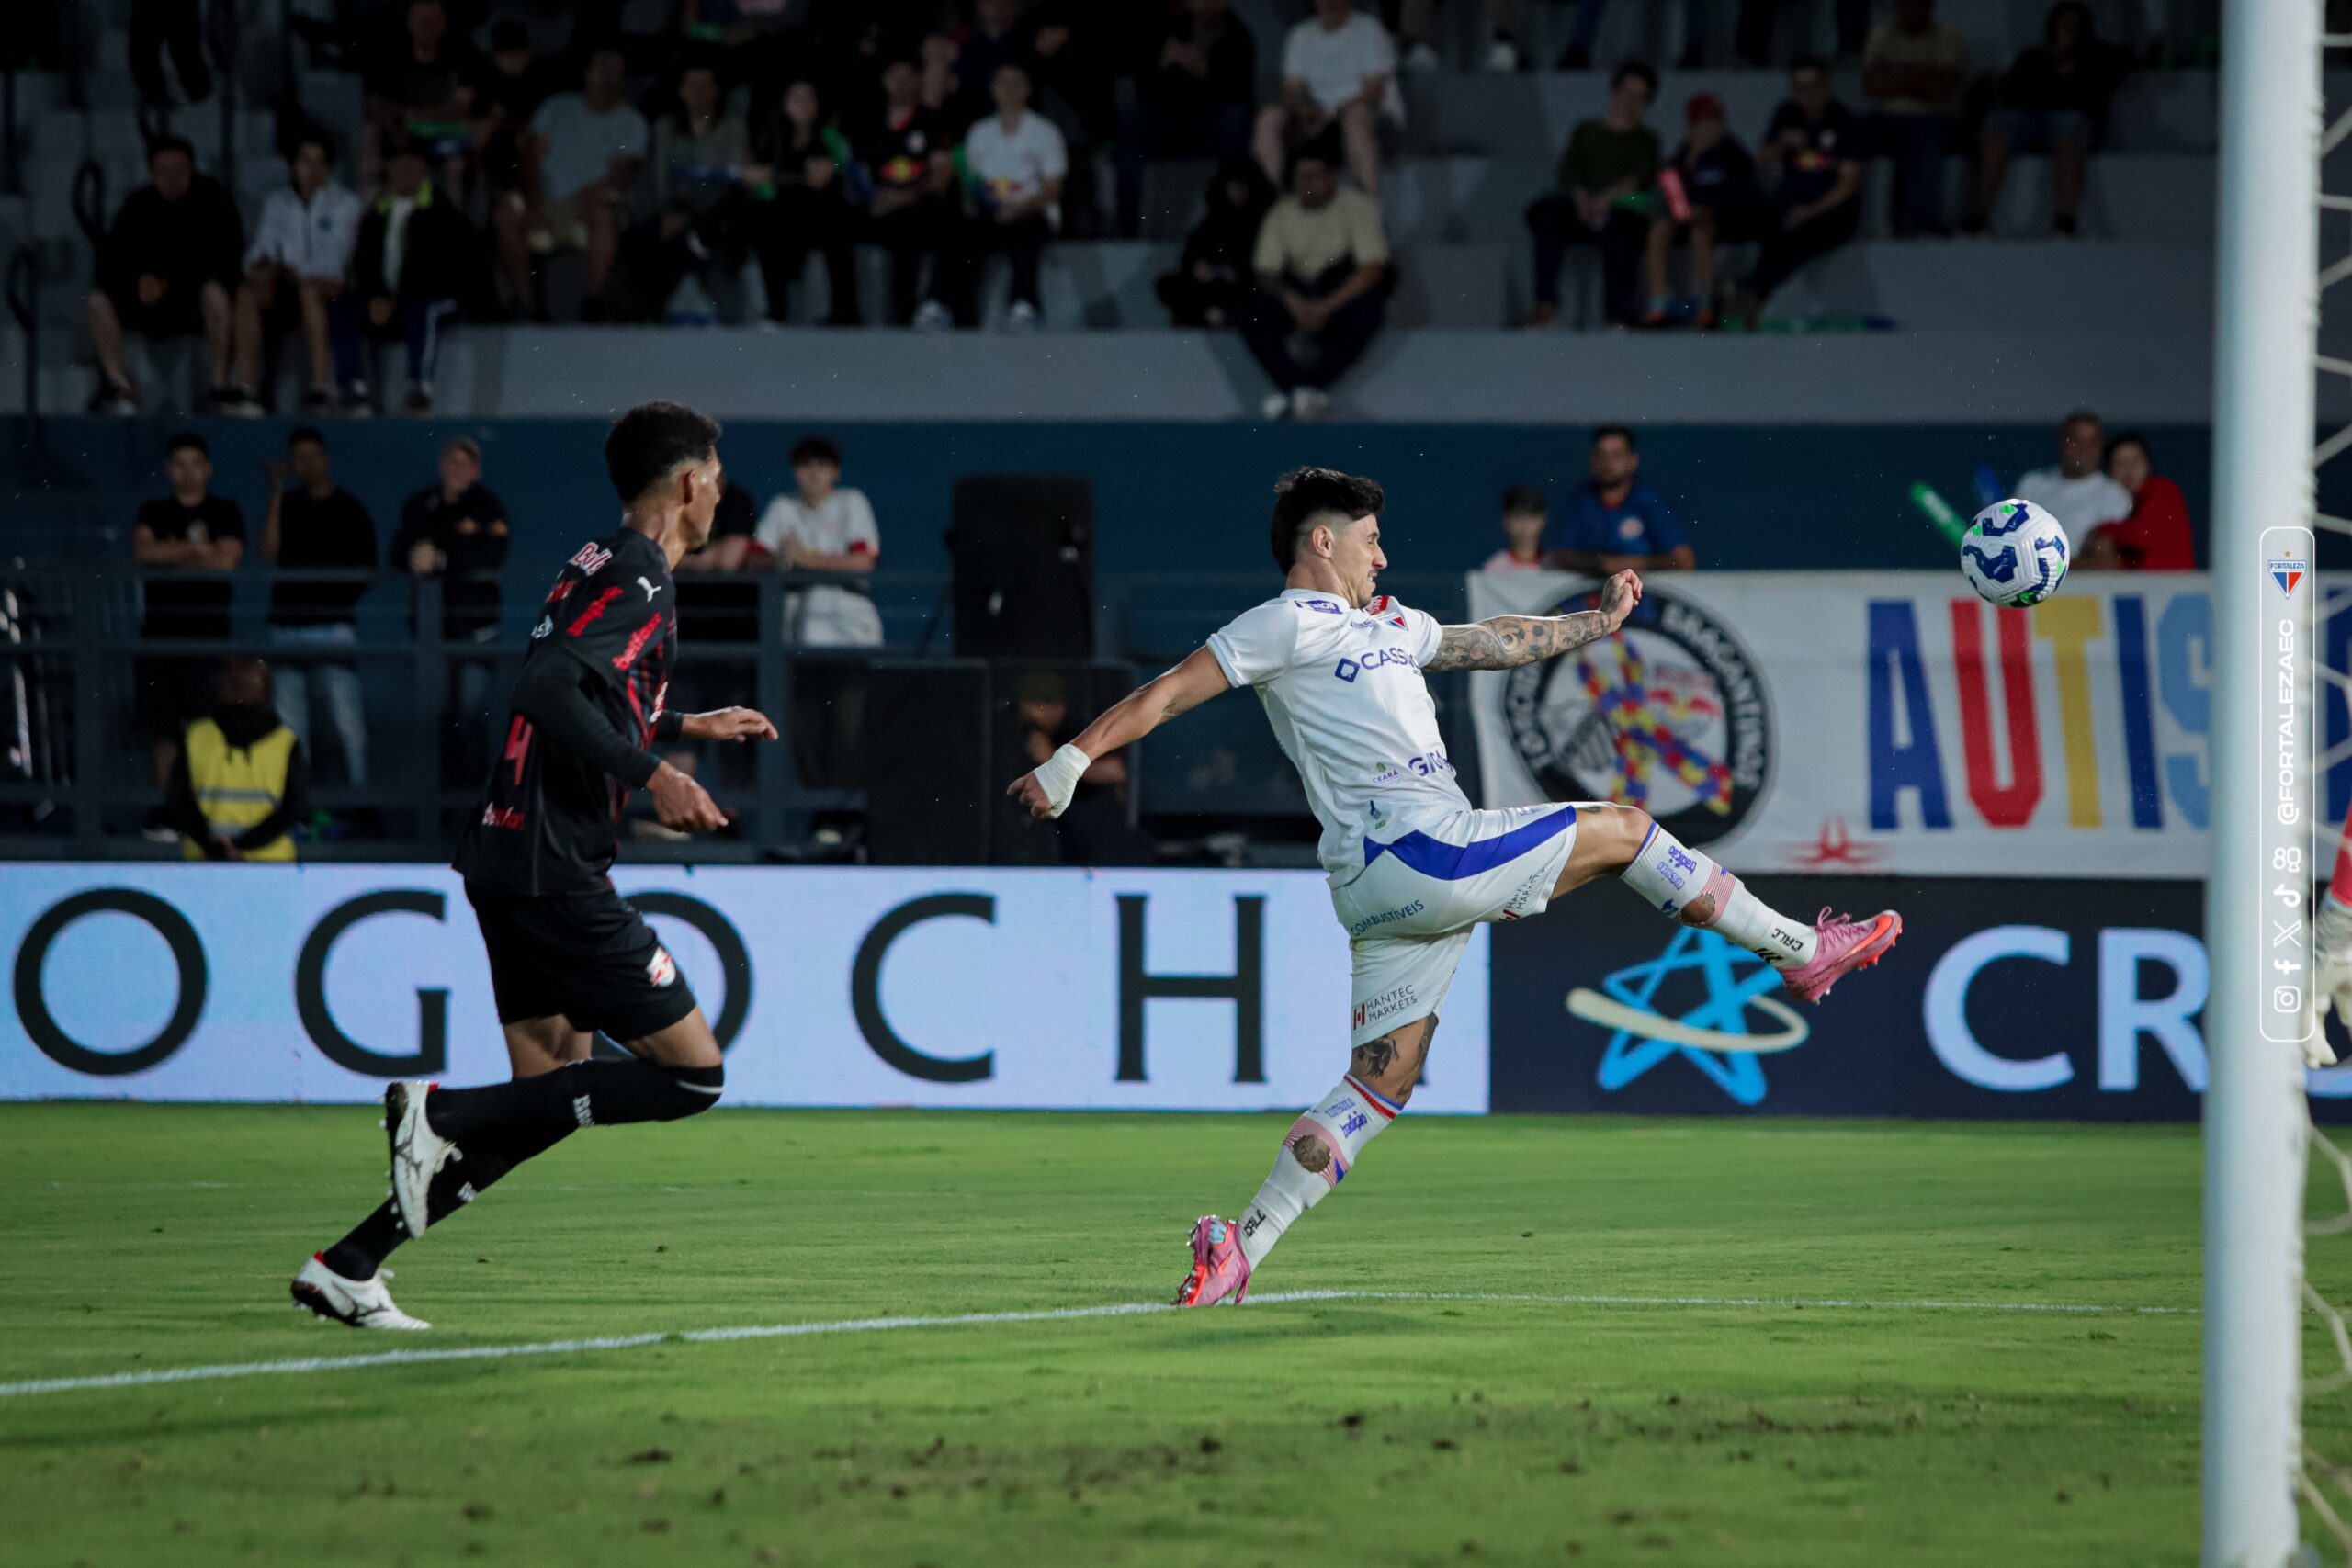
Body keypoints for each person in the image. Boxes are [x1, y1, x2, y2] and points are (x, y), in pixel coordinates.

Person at [1002, 467, 1900, 1309]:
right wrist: (1072, 759)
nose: (1382, 556)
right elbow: (1169, 693)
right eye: (1370, 539)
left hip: (1378, 889)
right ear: (1320, 544)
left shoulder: (1390, 625)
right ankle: (1801, 952)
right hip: (1418, 847)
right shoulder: (1281, 625)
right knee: (1626, 828)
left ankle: (1240, 1245)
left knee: (1378, 1085)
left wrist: (1593, 624)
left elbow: (1493, 643)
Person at [293, 402, 779, 1332]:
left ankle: (351, 1264)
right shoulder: (640, 578)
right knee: (692, 1078)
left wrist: (679, 724)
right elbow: (544, 687)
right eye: (714, 475)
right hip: (555, 867)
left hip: (507, 854)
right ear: (686, 485)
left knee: (545, 1101)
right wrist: (655, 773)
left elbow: (579, 688)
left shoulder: (596, 561)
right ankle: (443, 1114)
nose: (721, 491)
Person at [85, 135, 244, 413]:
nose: (172, 179)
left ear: (192, 169)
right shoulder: (138, 204)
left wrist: (170, 283)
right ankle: (117, 385)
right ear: (151, 173)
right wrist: (137, 283)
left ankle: (219, 383)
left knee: (217, 295)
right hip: (146, 303)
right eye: (163, 172)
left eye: (179, 171)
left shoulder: (214, 200)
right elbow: (111, 261)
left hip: (193, 300)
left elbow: (227, 260)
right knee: (98, 301)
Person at [1239, 139, 1390, 422]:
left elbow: (1372, 268)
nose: (1308, 183)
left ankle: (1306, 386)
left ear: (1331, 175)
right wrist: (1294, 302)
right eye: (1301, 176)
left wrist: (1326, 307)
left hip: (1339, 292)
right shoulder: (1282, 211)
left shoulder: (1357, 206)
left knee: (1370, 312)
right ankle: (1297, 387)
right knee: (1251, 313)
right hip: (1297, 292)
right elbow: (1265, 271)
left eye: (1315, 176)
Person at [390, 436, 511, 785]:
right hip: (432, 632)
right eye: (451, 462)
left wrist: (440, 559)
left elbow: (490, 557)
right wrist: (415, 556)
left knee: (471, 716)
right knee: (437, 719)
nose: (456, 470)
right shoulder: (421, 504)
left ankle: (475, 801)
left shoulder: (488, 506)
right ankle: (441, 809)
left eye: (465, 463)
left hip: (475, 632)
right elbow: (398, 549)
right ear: (441, 465)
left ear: (476, 470)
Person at [133, 433, 246, 803]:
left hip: (209, 639)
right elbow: (144, 551)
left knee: (209, 728)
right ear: (169, 470)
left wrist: (175, 553)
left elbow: (227, 560)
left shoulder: (224, 510)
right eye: (179, 464)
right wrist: (198, 550)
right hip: (161, 639)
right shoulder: (154, 510)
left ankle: (207, 810)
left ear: (207, 469)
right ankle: (169, 810)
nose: (187, 472)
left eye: (195, 464)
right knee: (164, 732)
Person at [263, 427, 377, 788]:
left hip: (333, 628)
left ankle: (361, 804)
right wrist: (277, 493)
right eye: (298, 458)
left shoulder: (349, 507)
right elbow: (268, 555)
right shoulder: (289, 505)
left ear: (325, 459)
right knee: (290, 726)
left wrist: (335, 599)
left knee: (347, 723)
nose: (306, 464)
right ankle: (297, 807)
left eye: (312, 456)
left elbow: (367, 568)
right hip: (286, 628)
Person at [502, 44, 648, 320]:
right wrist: (535, 203)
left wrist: (589, 195)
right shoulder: (557, 108)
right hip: (545, 203)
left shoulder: (631, 121)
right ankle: (526, 305)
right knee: (506, 215)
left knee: (605, 213)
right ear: (586, 72)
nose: (607, 77)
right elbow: (531, 157)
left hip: (588, 207)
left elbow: (624, 172)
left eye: (615, 71)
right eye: (601, 68)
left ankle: (594, 299)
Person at [1964, 3, 2131, 239]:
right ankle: (1977, 219)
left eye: (2075, 26)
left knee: (2069, 126)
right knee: (1996, 127)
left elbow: (2120, 64)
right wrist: (2053, 61)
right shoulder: (2034, 57)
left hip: (2069, 125)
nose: (2068, 30)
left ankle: (2065, 222)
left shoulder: (2095, 61)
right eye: (2064, 24)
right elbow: (2012, 92)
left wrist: (2083, 51)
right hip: (2027, 122)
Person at [334, 140, 475, 415]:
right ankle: (354, 388)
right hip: (387, 300)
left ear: (423, 169)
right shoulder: (376, 213)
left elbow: (438, 269)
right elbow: (364, 261)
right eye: (398, 165)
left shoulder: (440, 211)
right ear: (388, 168)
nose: (405, 172)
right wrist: (375, 295)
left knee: (426, 309)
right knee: (345, 305)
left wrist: (396, 300)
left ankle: (419, 389)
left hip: (436, 297)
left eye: (413, 165)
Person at [229, 131, 364, 415]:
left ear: (328, 167)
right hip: (288, 286)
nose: (311, 170)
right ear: (293, 165)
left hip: (334, 290)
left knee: (309, 289)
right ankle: (246, 388)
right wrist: (262, 267)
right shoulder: (277, 203)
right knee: (247, 292)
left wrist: (289, 272)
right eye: (305, 161)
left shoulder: (346, 203)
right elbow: (263, 245)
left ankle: (321, 386)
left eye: (319, 162)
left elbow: (335, 260)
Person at [1525, 62, 1657, 330]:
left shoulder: (1647, 139)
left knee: (1628, 222)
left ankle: (1618, 315)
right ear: (1614, 92)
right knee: (1547, 213)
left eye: (1640, 97)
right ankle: (1546, 304)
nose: (1630, 102)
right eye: (1627, 93)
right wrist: (1581, 197)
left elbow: (1641, 178)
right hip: (1583, 204)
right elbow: (1568, 170)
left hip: (1623, 204)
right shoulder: (1586, 130)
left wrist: (1607, 199)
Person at [936, 62, 1067, 332]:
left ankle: (1024, 305)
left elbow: (1053, 188)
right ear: (993, 89)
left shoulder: (1046, 132)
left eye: (1015, 83)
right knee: (958, 230)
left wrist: (1018, 209)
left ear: (1027, 89)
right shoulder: (979, 132)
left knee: (1026, 230)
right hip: (990, 213)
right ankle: (948, 306)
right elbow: (969, 184)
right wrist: (974, 207)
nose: (1008, 90)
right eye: (1002, 83)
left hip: (1031, 211)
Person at [1117, 0, 1256, 237]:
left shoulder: (1239, 36)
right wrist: (1162, 63)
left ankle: (1231, 220)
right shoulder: (1169, 28)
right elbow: (1142, 88)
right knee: (1132, 123)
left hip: (1212, 127)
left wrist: (1206, 72)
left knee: (1235, 120)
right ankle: (1127, 229)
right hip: (1171, 122)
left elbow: (1243, 95)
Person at [1744, 56, 1863, 313]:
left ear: (1827, 86)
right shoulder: (1786, 114)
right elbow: (1760, 159)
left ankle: (1755, 293)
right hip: (1789, 205)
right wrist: (1781, 146)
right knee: (1763, 221)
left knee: (1796, 234)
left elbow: (1849, 184)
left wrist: (1811, 211)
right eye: (1798, 88)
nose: (1805, 95)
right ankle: (1746, 294)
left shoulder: (1844, 121)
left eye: (1812, 87)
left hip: (1830, 210)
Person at [163, 658, 310, 863]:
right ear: (267, 692)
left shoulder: (196, 736)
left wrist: (215, 845)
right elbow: (294, 809)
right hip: (269, 863)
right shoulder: (285, 742)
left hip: (205, 860)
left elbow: (179, 801)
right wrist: (243, 846)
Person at [743, 77, 864, 326]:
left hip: (822, 216)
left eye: (810, 99)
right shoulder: (771, 136)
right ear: (786, 104)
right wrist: (762, 179)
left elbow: (845, 166)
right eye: (798, 99)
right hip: (784, 216)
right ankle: (776, 312)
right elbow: (761, 182)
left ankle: (845, 311)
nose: (805, 105)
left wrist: (833, 167)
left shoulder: (829, 135)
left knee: (839, 228)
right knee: (764, 225)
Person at [1256, 0, 1399, 200]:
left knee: (1356, 117)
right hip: (1318, 121)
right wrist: (1306, 112)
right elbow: (1290, 92)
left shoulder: (1370, 30)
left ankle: (1369, 206)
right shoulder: (1301, 34)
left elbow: (1373, 93)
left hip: (1368, 120)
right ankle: (1273, 204)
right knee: (1269, 118)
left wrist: (1331, 115)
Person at [1642, 93, 1764, 328]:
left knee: (1700, 232)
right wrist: (1680, 206)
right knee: (1658, 231)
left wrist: (1707, 210)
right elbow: (1671, 185)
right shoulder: (1684, 153)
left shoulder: (1733, 153)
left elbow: (1744, 196)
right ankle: (1658, 304)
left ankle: (1705, 304)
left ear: (1722, 124)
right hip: (1686, 216)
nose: (1707, 129)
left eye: (1713, 122)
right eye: (1701, 123)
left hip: (1723, 221)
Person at [753, 434, 883, 648]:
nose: (813, 474)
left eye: (822, 465)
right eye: (805, 466)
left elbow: (864, 561)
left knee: (855, 679)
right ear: (795, 472)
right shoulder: (782, 505)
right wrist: (781, 558)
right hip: (796, 613)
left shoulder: (851, 501)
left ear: (836, 472)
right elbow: (753, 558)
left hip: (849, 609)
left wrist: (804, 560)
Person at [862, 56, 960, 326]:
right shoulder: (869, 121)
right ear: (885, 80)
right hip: (877, 205)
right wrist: (876, 198)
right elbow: (855, 171)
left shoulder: (932, 121)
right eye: (896, 76)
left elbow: (941, 174)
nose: (902, 84)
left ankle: (929, 303)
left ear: (918, 81)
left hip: (917, 204)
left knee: (938, 218)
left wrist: (903, 197)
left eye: (909, 77)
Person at [1860, 0, 1967, 237]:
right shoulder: (1880, 35)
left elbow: (1942, 88)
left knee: (1926, 134)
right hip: (1888, 118)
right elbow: (1872, 85)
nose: (1911, 10)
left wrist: (1895, 76)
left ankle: (1926, 221)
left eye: (1917, 5)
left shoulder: (1948, 37)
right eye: (1905, 5)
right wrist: (1923, 74)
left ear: (1930, 7)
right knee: (1847, 132)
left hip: (1934, 118)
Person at [361, 0, 481, 185]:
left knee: (460, 157)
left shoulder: (463, 51)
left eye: (432, 18)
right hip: (403, 134)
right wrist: (394, 124)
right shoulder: (390, 52)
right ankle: (372, 205)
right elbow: (375, 102)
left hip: (445, 133)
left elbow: (462, 107)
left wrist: (414, 116)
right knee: (370, 134)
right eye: (420, 19)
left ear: (443, 22)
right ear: (409, 21)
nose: (426, 25)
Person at [1553, 425, 1696, 571]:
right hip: (1594, 593)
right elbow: (1560, 557)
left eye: (1616, 455)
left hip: (1640, 593)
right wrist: (1602, 565)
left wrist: (1632, 565)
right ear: (1592, 460)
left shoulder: (1650, 502)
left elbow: (1684, 560)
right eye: (1601, 455)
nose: (1608, 462)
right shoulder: (1582, 502)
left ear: (1633, 460)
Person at [1156, 157, 1275, 328]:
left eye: (1242, 185)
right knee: (1171, 285)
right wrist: (1198, 267)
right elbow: (1193, 251)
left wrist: (1235, 272)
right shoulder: (1215, 218)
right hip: (1211, 284)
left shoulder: (1266, 221)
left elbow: (1265, 263)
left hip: (1244, 285)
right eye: (1233, 185)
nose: (1238, 191)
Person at [2079, 434, 2192, 571]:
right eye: (2120, 463)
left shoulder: (2162, 488)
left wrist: (2102, 530)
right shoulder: (2126, 504)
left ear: (2148, 465)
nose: (2129, 469)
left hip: (2174, 588)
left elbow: (2143, 534)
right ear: (2110, 471)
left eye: (2135, 461)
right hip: (2150, 588)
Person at [2013, 410, 2132, 537]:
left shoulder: (2114, 494)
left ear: (2101, 445)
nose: (2084, 448)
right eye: (2076, 439)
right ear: (2062, 442)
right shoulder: (2031, 483)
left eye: (2091, 441)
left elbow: (2104, 552)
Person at [1481, 485, 1549, 573]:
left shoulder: (1556, 566)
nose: (1525, 525)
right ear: (1506, 521)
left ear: (1543, 520)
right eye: (1518, 516)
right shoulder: (1494, 569)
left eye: (1531, 516)